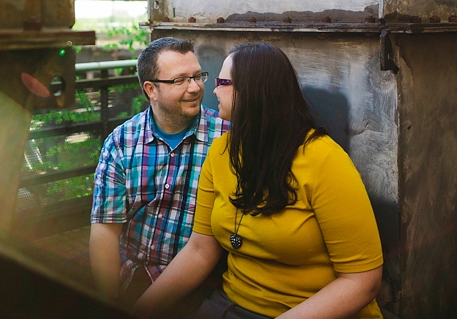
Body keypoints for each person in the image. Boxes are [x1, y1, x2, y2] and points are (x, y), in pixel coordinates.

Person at [134, 43, 383, 318]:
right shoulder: (220, 152)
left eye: (222, 83)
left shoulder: (324, 159)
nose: (212, 91)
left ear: (253, 91)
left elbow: (362, 281)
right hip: (230, 304)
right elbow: (200, 249)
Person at [90, 37, 230, 309]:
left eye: (197, 76)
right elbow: (106, 228)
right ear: (151, 90)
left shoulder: (226, 137)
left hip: (199, 282)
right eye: (180, 80)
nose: (195, 87)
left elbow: (210, 245)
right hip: (131, 271)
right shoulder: (121, 141)